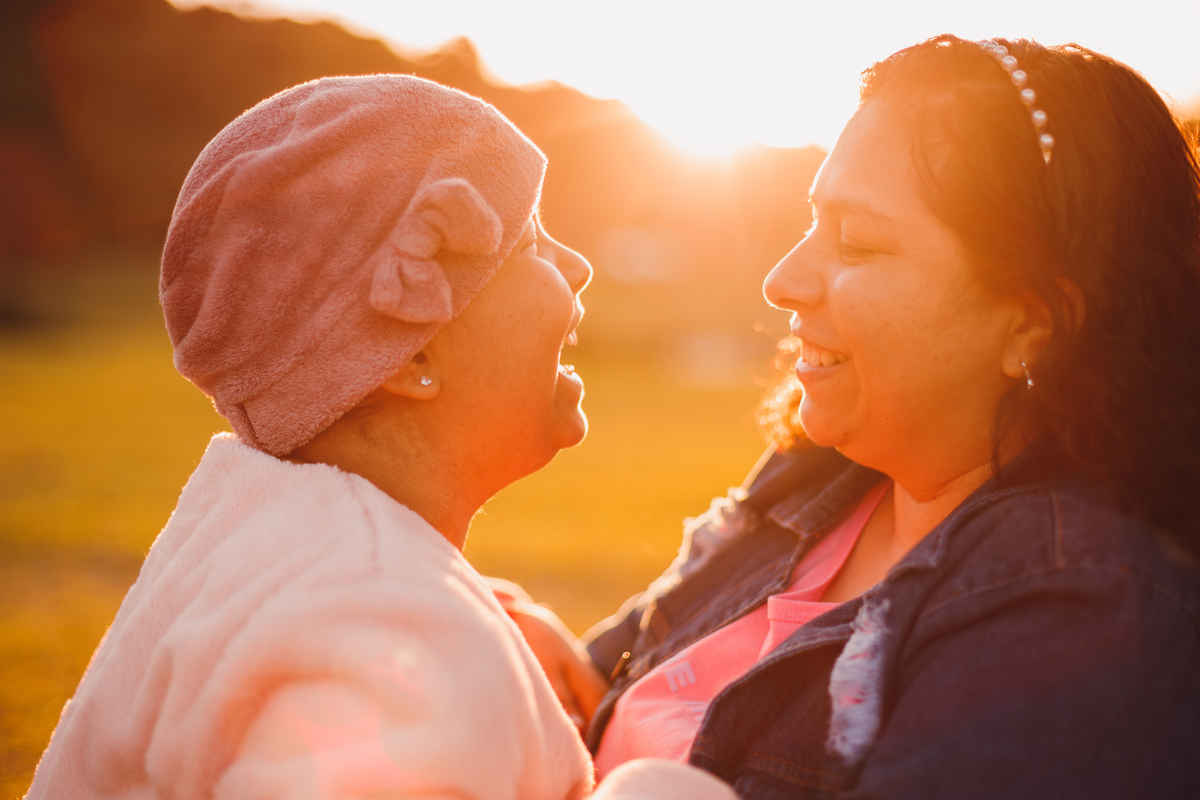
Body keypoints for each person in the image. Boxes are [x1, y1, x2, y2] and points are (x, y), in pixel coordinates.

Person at [522, 35, 1200, 798]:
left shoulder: (1079, 605)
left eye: (858, 242)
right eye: (811, 223)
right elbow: (603, 685)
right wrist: (528, 661)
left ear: (1032, 323)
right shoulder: (817, 476)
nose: (782, 281)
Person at [24, 75, 735, 800]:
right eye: (532, 242)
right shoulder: (392, 640)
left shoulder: (262, 545)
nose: (577, 265)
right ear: (413, 355)